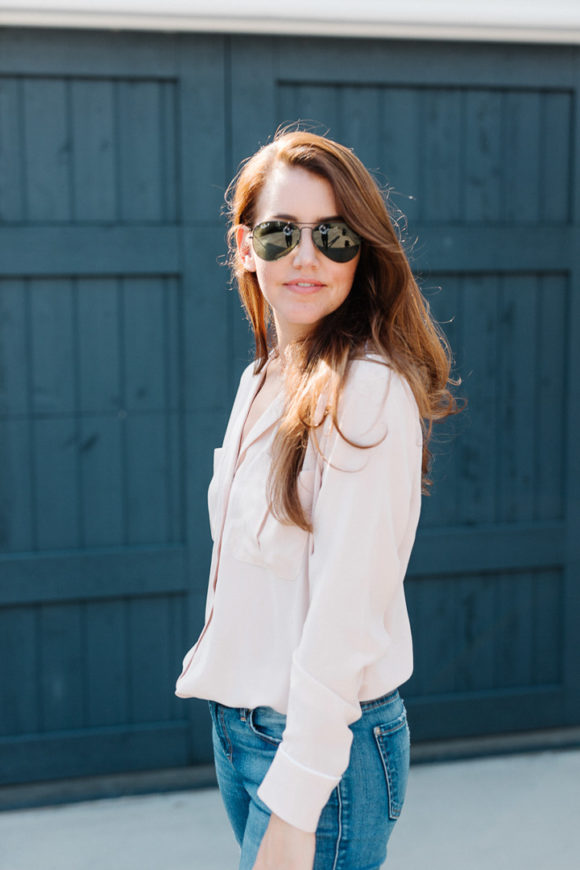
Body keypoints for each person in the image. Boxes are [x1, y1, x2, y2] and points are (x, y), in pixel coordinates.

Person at [175, 127, 458, 869]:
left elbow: (347, 610)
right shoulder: (262, 379)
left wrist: (297, 799)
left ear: (361, 250)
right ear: (244, 247)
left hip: (319, 745)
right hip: (242, 728)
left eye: (333, 235)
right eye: (280, 234)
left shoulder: (365, 390)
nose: (307, 257)